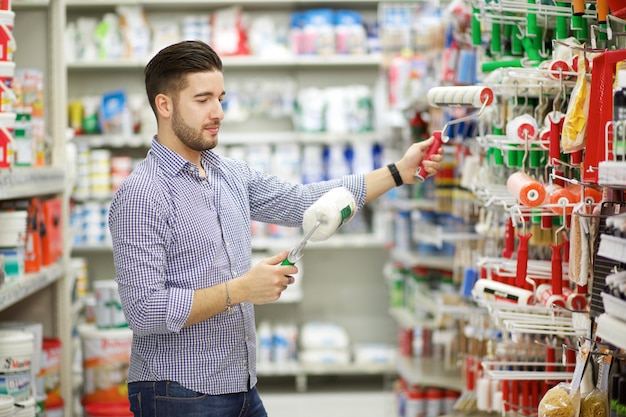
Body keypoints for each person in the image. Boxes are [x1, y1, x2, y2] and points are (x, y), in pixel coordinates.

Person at [108, 39, 443, 417]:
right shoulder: (142, 194)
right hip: (178, 392)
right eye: (203, 100)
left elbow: (303, 201)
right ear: (164, 105)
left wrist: (398, 172)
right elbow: (144, 310)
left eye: (221, 97)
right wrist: (241, 289)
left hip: (241, 386)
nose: (218, 111)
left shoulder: (227, 173)